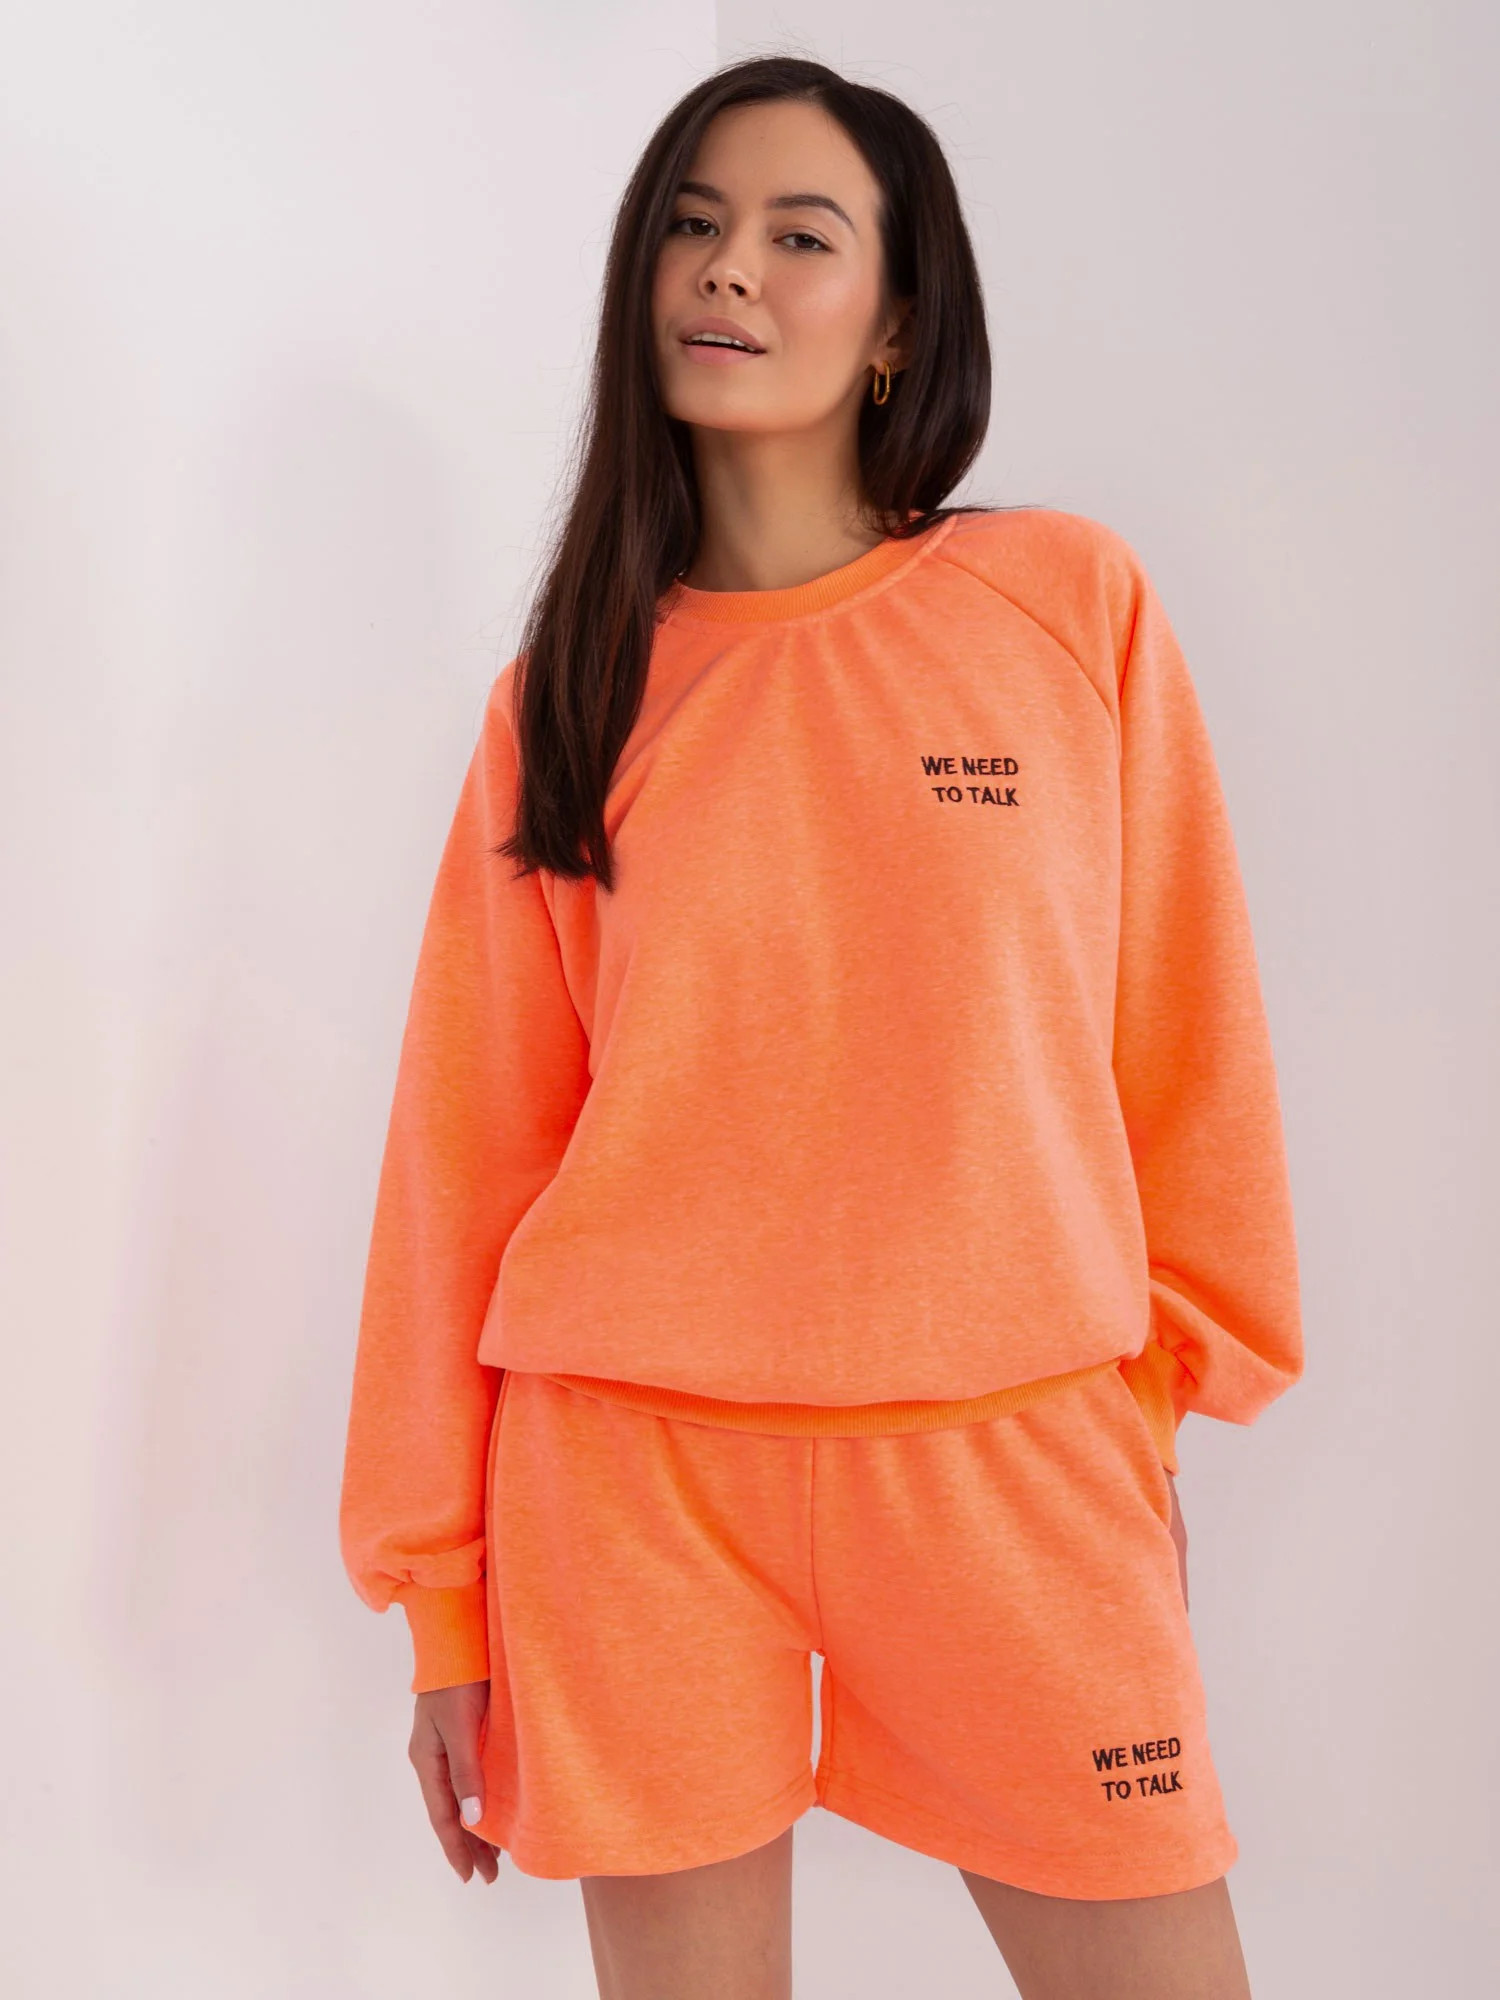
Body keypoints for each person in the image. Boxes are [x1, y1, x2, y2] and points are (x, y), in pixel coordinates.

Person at [338, 52, 1303, 2000]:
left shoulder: (1065, 604)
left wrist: (1140, 1408)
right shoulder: (570, 692)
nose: (730, 270)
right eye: (693, 226)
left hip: (1009, 1461)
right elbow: (467, 1154)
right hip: (634, 1485)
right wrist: (445, 1612)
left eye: (801, 235)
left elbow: (1186, 1035)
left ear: (899, 323)